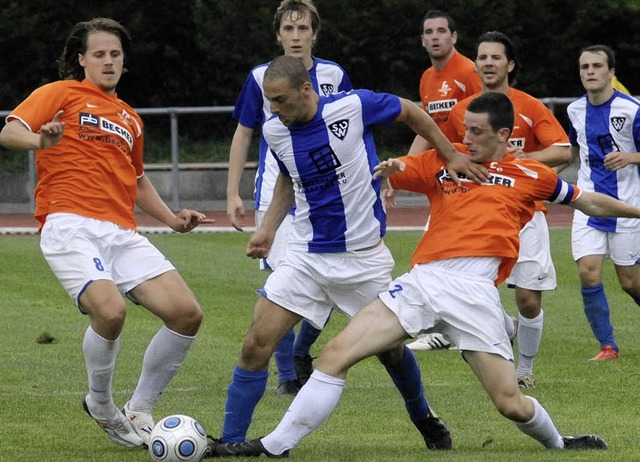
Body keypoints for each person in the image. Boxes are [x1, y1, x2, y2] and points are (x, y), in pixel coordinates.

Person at [206, 90, 640, 457]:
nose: (464, 139)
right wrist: (393, 168)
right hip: (422, 281)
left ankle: (560, 443)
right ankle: (272, 447)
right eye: (462, 129)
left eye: (476, 132)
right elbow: (396, 165)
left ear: (505, 136)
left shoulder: (531, 174)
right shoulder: (441, 162)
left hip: (474, 293)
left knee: (511, 404)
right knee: (337, 355)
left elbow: (591, 202)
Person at [206, 55, 489, 455]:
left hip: (362, 259)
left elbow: (412, 111)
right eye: (269, 101)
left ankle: (422, 414)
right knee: (256, 343)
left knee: (390, 351)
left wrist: (448, 154)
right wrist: (268, 228)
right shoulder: (275, 130)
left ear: (307, 90)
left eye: (281, 99)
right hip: (306, 256)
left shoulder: (352, 106)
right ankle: (231, 442)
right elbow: (289, 177)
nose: (273, 109)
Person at [0, 18, 212, 449]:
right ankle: (100, 404)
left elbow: (136, 180)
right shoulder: (60, 93)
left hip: (121, 233)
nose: (108, 61)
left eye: (115, 54)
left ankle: (139, 409)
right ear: (82, 60)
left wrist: (172, 219)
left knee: (187, 314)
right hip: (69, 224)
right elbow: (9, 131)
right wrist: (41, 143)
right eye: (99, 54)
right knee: (111, 312)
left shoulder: (131, 119)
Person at [226, 0, 351, 394]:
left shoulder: (333, 74)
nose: (296, 37)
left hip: (327, 194)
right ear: (278, 34)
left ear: (315, 32)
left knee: (330, 283)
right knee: (282, 285)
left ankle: (301, 350)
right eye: (288, 29)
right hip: (276, 193)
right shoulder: (261, 77)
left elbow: (350, 126)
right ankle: (287, 377)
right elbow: (244, 131)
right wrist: (232, 191)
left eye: (303, 29)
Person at [435, 31, 571, 389]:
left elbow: (562, 150)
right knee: (474, 292)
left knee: (527, 300)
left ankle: (525, 368)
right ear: (475, 64)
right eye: (482, 57)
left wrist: (525, 160)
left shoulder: (530, 106)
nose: (488, 63)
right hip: (478, 218)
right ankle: (504, 333)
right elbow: (448, 150)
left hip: (526, 214)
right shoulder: (463, 110)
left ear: (509, 65)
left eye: (496, 57)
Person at [402, 10, 481, 351]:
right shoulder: (427, 78)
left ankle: (442, 328)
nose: (434, 37)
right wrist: (402, 169)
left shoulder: (468, 72)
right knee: (441, 252)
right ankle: (461, 324)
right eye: (428, 32)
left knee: (439, 252)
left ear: (454, 37)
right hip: (443, 173)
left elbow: (488, 119)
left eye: (440, 31)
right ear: (422, 40)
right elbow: (427, 128)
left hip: (467, 172)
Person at [566, 44, 640, 360]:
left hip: (627, 205)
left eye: (597, 66)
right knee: (588, 272)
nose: (590, 72)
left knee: (629, 282)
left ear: (611, 72)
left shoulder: (632, 109)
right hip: (588, 204)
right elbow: (573, 152)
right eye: (585, 67)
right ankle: (608, 346)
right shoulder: (574, 110)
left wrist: (631, 157)